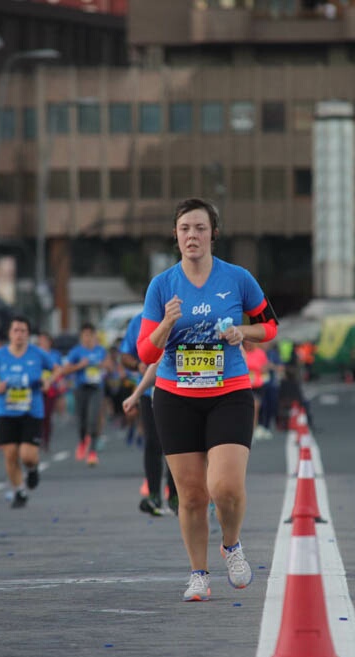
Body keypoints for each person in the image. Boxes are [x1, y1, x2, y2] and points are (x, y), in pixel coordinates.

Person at [136, 197, 279, 602]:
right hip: (175, 397)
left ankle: (231, 545)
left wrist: (242, 333)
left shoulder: (237, 278)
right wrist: (166, 322)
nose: (192, 236)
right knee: (193, 495)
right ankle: (198, 573)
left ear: (213, 233)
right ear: (176, 236)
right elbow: (145, 352)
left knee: (225, 487)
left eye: (200, 228)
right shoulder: (162, 285)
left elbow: (270, 327)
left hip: (229, 392)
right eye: (185, 229)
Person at [0, 317, 60, 508]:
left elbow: (57, 369)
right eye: (16, 330)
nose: (19, 334)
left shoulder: (37, 354)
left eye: (23, 331)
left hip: (31, 411)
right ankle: (19, 491)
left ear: (28, 334)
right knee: (10, 454)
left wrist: (49, 380)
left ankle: (32, 469)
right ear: (10, 334)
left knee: (27, 456)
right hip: (5, 411)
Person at [120, 312, 178, 516]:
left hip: (178, 387)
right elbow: (125, 355)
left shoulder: (180, 315)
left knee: (177, 443)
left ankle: (175, 495)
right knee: (153, 442)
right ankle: (154, 494)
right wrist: (137, 365)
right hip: (148, 390)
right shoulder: (139, 321)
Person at [63, 323, 111, 466]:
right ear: (81, 337)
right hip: (81, 388)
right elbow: (65, 370)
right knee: (82, 420)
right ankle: (83, 441)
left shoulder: (101, 351)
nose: (88, 338)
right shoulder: (76, 352)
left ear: (94, 336)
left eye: (91, 335)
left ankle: (92, 453)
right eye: (85, 335)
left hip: (96, 388)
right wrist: (80, 366)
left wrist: (103, 365)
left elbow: (110, 366)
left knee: (93, 419)